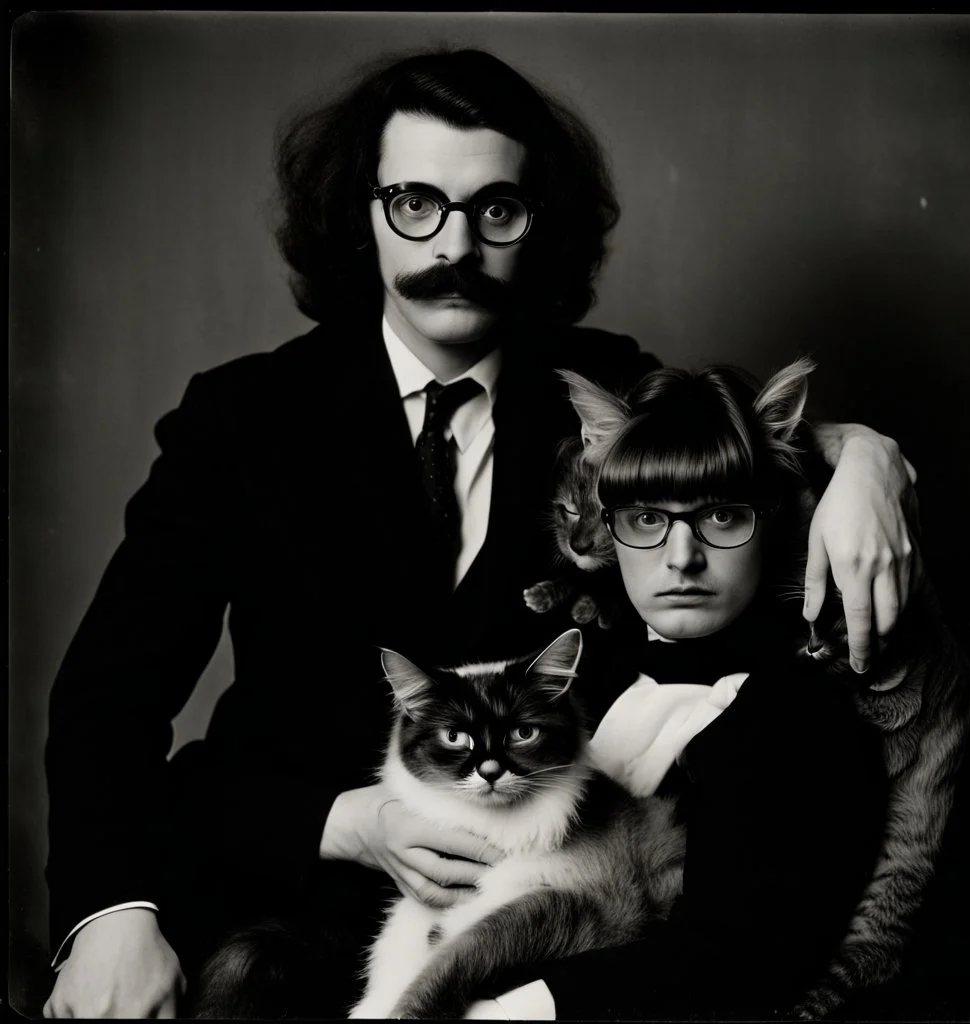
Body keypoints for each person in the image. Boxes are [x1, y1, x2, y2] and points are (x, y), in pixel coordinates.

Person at [42, 48, 915, 1019]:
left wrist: (866, 459)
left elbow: (729, 444)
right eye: (416, 202)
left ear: (536, 223)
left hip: (534, 924)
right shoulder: (243, 415)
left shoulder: (597, 384)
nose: (454, 245)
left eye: (494, 209)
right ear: (360, 212)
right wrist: (109, 912)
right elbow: (104, 703)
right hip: (284, 904)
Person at [475, 360, 889, 1019]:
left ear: (772, 517)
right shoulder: (581, 673)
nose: (681, 558)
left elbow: (739, 960)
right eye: (645, 518)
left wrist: (869, 455)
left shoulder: (799, 719)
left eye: (722, 517)